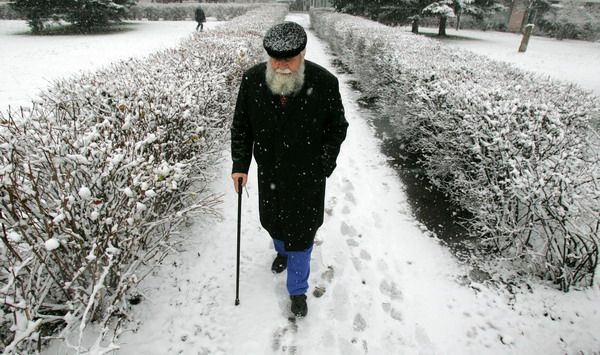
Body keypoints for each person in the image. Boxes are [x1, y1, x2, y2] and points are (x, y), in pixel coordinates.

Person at [230, 21, 348, 318]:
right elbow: (242, 127)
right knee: (273, 223)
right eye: (275, 59)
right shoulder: (252, 80)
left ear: (303, 53)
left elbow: (337, 128)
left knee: (303, 235)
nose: (282, 65)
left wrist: (324, 162)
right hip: (269, 172)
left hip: (308, 177)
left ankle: (297, 290)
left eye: (289, 59)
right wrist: (239, 165)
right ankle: (281, 251)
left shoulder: (324, 83)